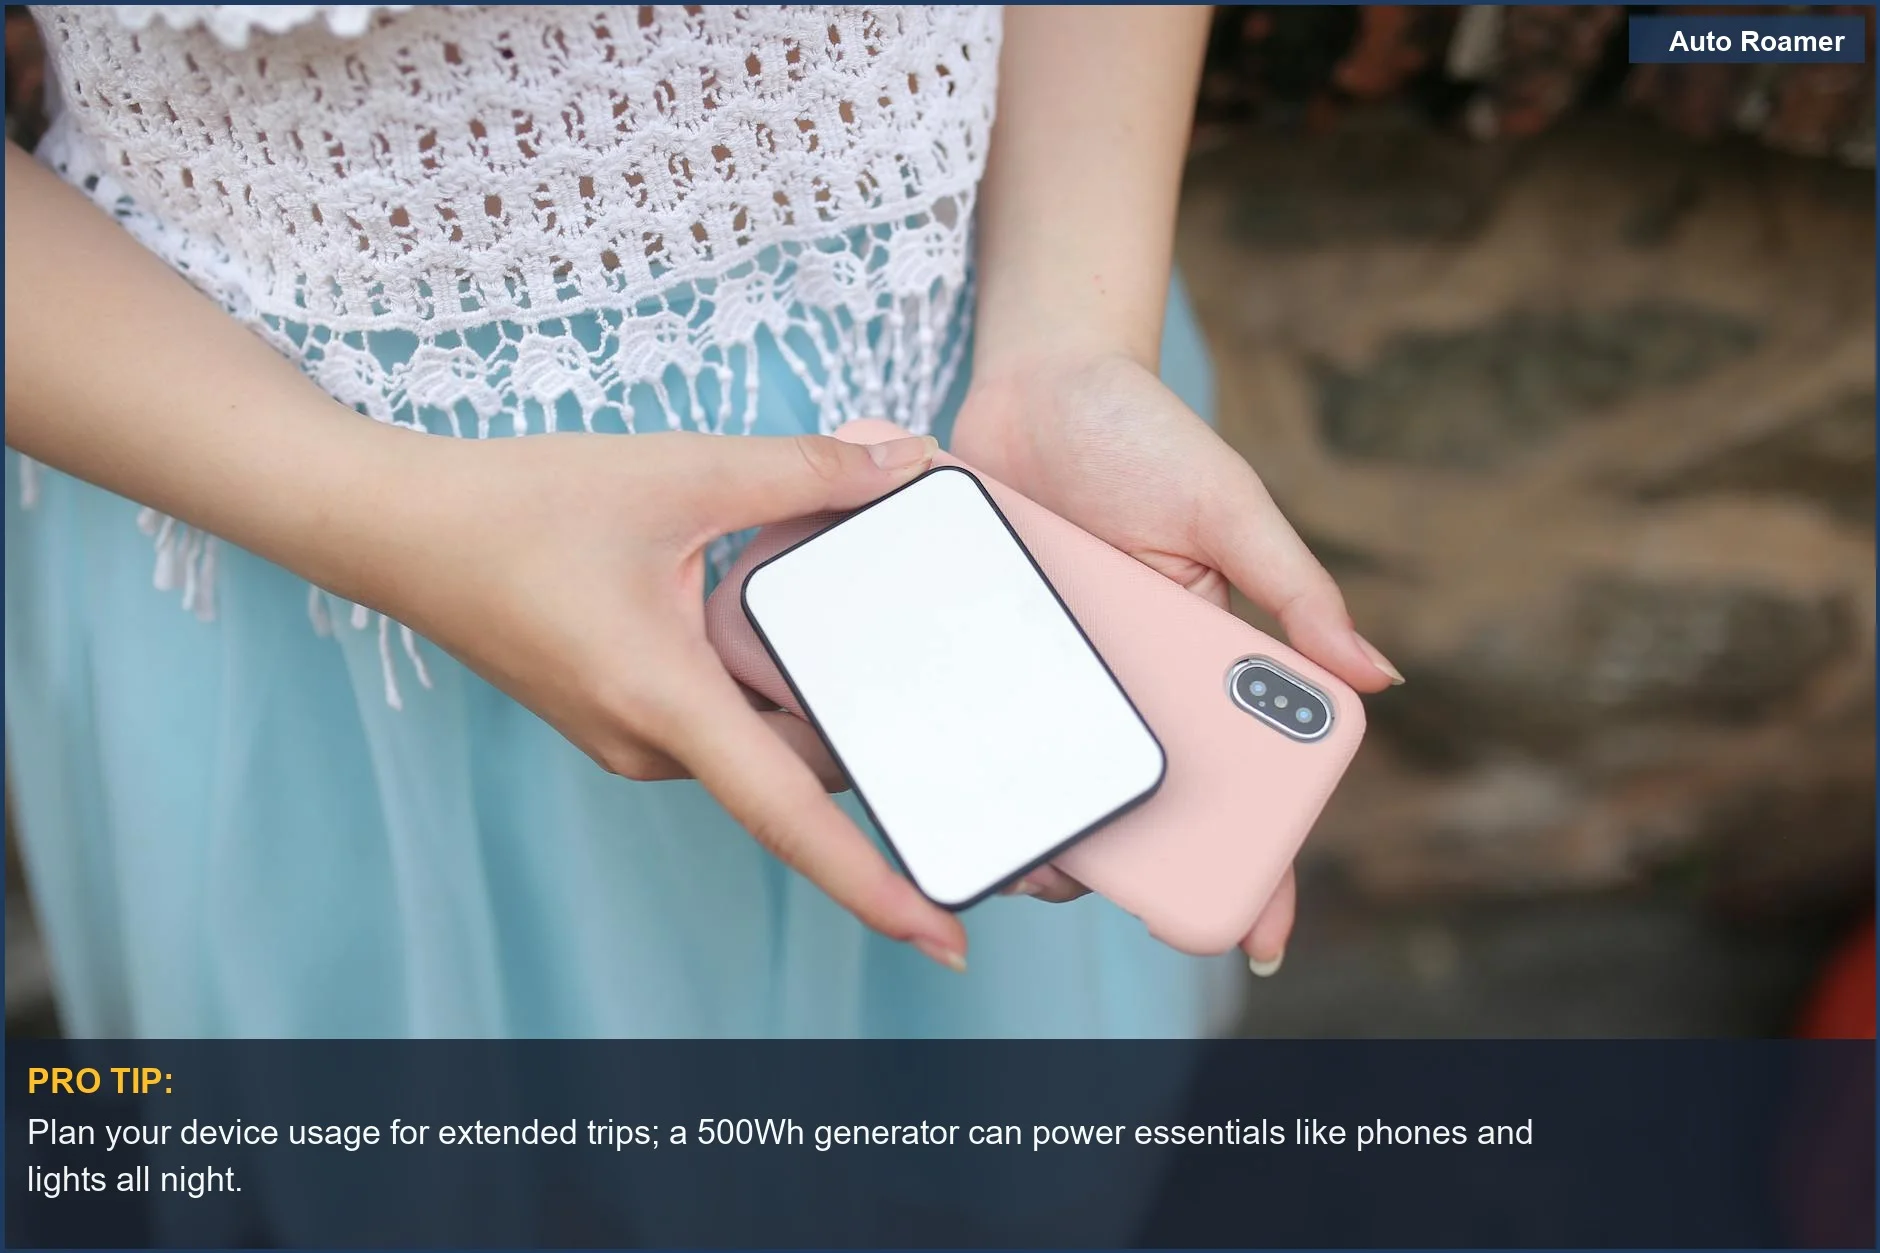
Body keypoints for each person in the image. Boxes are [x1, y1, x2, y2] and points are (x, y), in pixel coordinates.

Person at [4, 5, 1401, 1039]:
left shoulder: (1035, 383)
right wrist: (386, 521)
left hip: (997, 396)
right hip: (304, 524)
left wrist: (1072, 339)